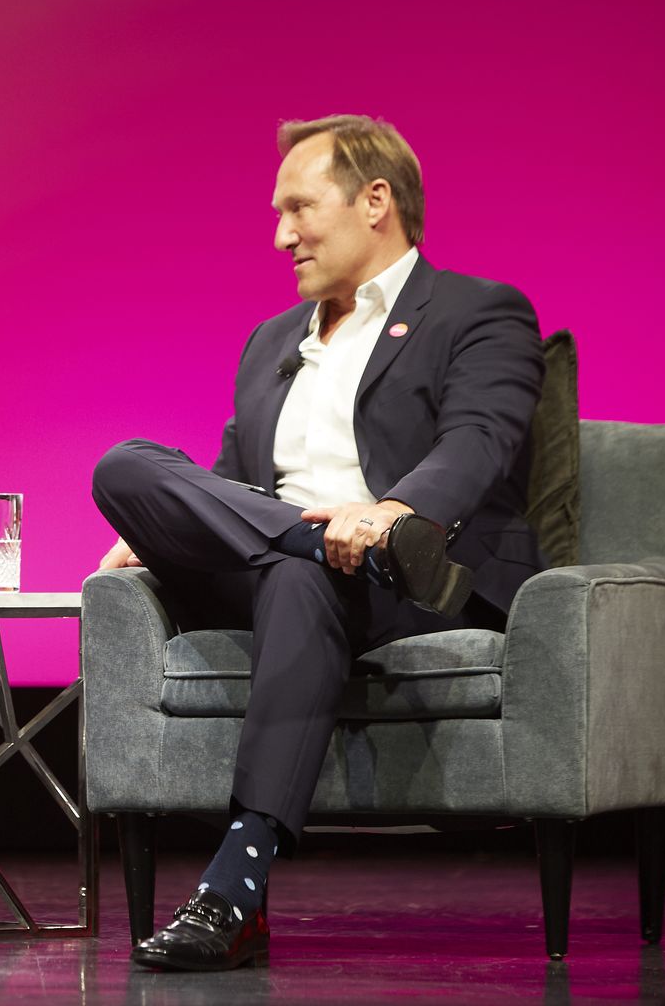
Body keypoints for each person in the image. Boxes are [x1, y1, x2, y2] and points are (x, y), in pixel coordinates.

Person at [90, 114, 545, 972]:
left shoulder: (477, 312)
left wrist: (392, 513)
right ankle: (308, 544)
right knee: (126, 467)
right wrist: (164, 536)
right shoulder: (271, 340)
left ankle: (234, 885)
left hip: (403, 576)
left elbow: (479, 441)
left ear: (376, 201)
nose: (280, 234)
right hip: (290, 554)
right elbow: (231, 478)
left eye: (299, 208)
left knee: (298, 585)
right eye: (276, 214)